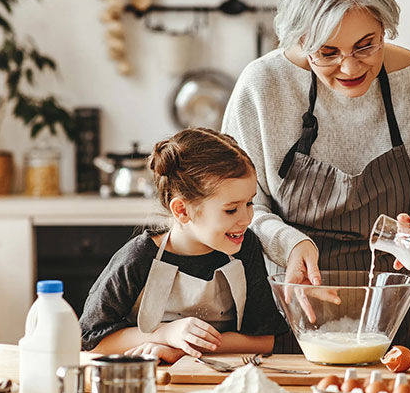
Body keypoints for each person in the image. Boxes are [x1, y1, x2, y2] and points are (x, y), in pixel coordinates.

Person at [222, 0, 410, 355]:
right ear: (297, 40)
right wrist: (289, 243)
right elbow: (238, 207)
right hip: (289, 311)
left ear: (386, 27)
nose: (349, 68)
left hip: (398, 320)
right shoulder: (262, 87)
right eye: (326, 53)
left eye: (366, 45)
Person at [79, 128, 288, 364]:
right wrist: (166, 334)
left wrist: (185, 349)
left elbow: (267, 340)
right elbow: (91, 341)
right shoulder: (137, 259)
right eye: (231, 209)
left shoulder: (245, 246)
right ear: (182, 210)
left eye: (249, 203)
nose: (247, 218)